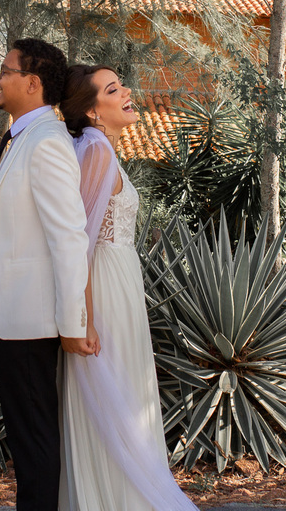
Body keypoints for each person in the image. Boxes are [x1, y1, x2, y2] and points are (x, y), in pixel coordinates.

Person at [57, 64, 198, 511]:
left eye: (121, 85)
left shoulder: (100, 148)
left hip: (119, 280)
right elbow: (78, 240)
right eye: (113, 89)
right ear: (92, 110)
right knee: (113, 393)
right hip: (105, 289)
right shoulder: (96, 151)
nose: (127, 93)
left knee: (124, 396)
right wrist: (83, 318)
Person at [0, 39, 97, 511]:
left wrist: (73, 324)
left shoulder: (47, 142)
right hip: (13, 312)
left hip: (31, 319)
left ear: (32, 83)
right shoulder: (21, 137)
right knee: (27, 440)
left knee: (35, 440)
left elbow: (70, 237)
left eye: (4, 71)